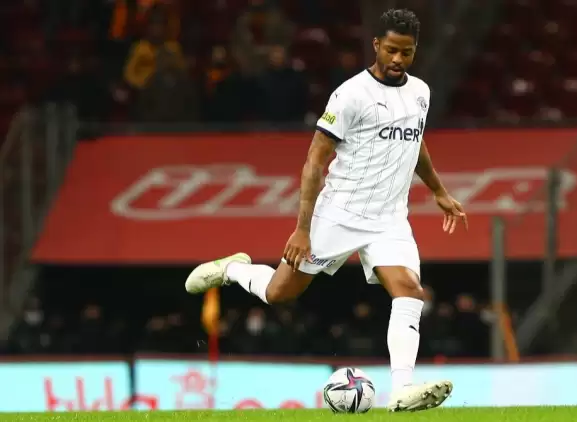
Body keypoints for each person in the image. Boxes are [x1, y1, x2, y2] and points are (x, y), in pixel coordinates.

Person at [185, 8, 467, 412]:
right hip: (339, 213)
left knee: (409, 291)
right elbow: (315, 161)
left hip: (389, 219)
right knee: (279, 292)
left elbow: (414, 140)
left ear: (415, 50)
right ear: (376, 45)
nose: (397, 59)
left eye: (406, 52)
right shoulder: (350, 95)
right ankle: (232, 269)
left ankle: (403, 389)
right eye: (391, 50)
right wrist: (302, 229)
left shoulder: (420, 92)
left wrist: (438, 190)